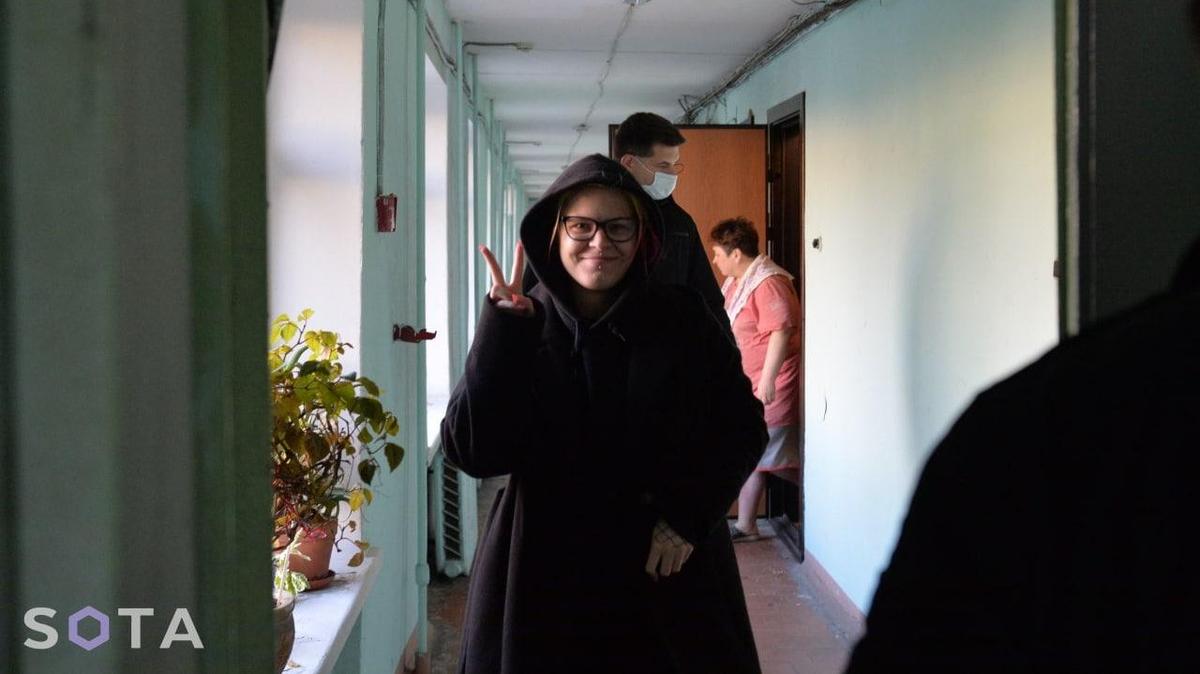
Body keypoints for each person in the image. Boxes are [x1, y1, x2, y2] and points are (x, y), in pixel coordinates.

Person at [442, 153, 767, 673]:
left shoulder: (683, 319)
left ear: (642, 238)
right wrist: (501, 333)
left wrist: (688, 518)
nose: (600, 242)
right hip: (545, 572)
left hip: (665, 568)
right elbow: (474, 452)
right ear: (555, 233)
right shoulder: (525, 321)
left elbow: (743, 427)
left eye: (618, 227)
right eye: (582, 226)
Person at [709, 217, 803, 541]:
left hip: (772, 384)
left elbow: (781, 331)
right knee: (760, 452)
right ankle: (747, 524)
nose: (715, 261)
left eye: (717, 253)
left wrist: (768, 380)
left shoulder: (768, 282)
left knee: (771, 454)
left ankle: (830, 497)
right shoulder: (739, 282)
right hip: (750, 382)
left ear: (736, 253)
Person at [613, 112, 730, 331]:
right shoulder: (598, 216)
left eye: (675, 164)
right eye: (664, 165)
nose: (672, 174)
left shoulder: (680, 224)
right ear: (629, 162)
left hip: (671, 343)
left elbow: (708, 298)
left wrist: (725, 348)